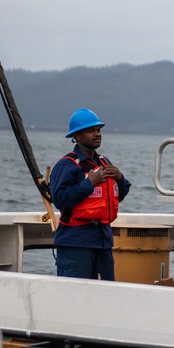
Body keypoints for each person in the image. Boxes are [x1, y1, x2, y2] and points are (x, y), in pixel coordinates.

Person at [50, 108, 131, 280]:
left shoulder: (104, 161)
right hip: (76, 243)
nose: (97, 134)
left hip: (102, 242)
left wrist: (120, 178)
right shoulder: (66, 165)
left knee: (105, 295)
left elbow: (118, 196)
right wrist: (89, 183)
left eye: (99, 130)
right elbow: (60, 199)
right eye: (91, 130)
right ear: (77, 136)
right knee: (75, 296)